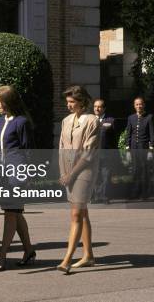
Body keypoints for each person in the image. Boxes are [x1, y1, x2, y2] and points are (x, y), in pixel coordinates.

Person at [57, 85, 100, 274]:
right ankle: (88, 255)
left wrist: (71, 174)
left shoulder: (92, 121)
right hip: (68, 173)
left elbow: (88, 154)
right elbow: (61, 148)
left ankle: (67, 259)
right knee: (82, 213)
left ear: (82, 102)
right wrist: (63, 173)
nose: (69, 105)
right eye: (67, 102)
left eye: (72, 102)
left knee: (75, 215)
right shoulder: (66, 121)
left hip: (84, 172)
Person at [0, 86, 36, 271]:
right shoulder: (0, 121)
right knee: (16, 213)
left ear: (8, 101)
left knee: (10, 213)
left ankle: (2, 256)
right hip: (4, 173)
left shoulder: (22, 122)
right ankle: (28, 250)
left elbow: (29, 151)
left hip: (17, 173)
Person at [125, 97, 154, 200]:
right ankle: (134, 193)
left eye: (141, 104)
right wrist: (127, 149)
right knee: (135, 170)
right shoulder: (131, 118)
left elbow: (152, 134)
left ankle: (144, 194)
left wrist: (151, 150)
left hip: (144, 147)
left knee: (144, 171)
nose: (139, 106)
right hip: (134, 147)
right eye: (137, 104)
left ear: (144, 105)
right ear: (134, 106)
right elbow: (128, 134)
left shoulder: (149, 117)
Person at [92, 99, 117, 204]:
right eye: (95, 106)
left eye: (99, 107)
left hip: (106, 154)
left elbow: (114, 139)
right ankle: (96, 196)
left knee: (106, 176)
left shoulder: (111, 120)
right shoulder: (90, 120)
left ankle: (105, 196)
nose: (97, 109)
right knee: (95, 176)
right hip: (93, 154)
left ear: (104, 108)